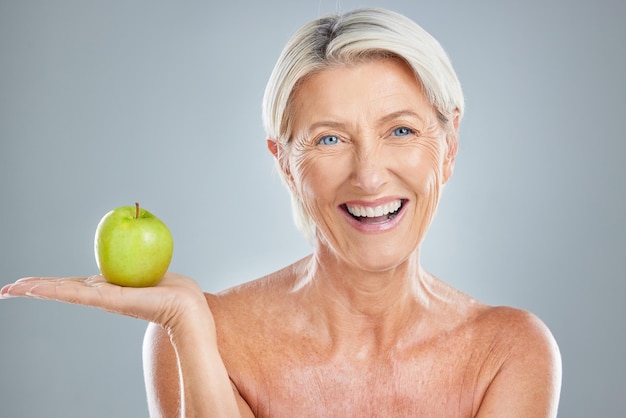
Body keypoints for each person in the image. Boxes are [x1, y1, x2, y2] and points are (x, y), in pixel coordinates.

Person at [0, 7, 561, 417]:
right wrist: (189, 328)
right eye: (329, 140)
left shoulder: (508, 352)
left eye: (401, 130)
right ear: (284, 163)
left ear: (451, 144)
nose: (369, 175)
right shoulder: (207, 340)